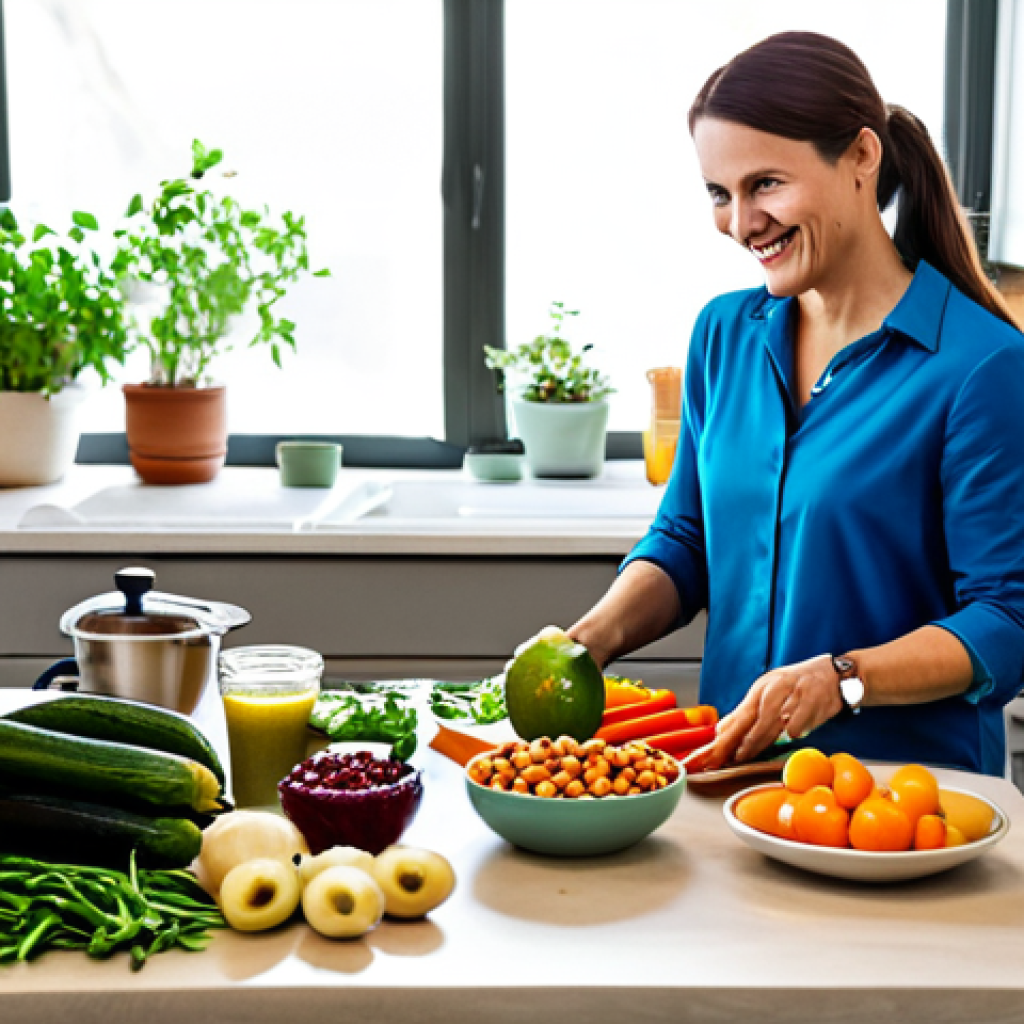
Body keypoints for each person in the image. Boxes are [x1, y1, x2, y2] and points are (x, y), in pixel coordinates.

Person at [567, 31, 1024, 777]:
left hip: (901, 809)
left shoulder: (982, 368)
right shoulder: (724, 335)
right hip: (734, 791)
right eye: (721, 194)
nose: (742, 224)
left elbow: (1007, 623)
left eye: (766, 185)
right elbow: (688, 540)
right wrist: (586, 641)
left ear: (862, 159)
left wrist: (843, 679)